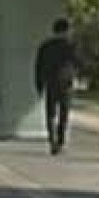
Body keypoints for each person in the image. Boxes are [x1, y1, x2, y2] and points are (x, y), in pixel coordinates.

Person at [34, 18, 79, 155]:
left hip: (51, 83)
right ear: (66, 30)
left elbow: (39, 67)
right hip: (66, 84)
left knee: (51, 113)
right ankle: (60, 140)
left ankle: (52, 140)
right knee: (64, 113)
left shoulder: (45, 47)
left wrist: (39, 84)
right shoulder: (71, 46)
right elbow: (78, 62)